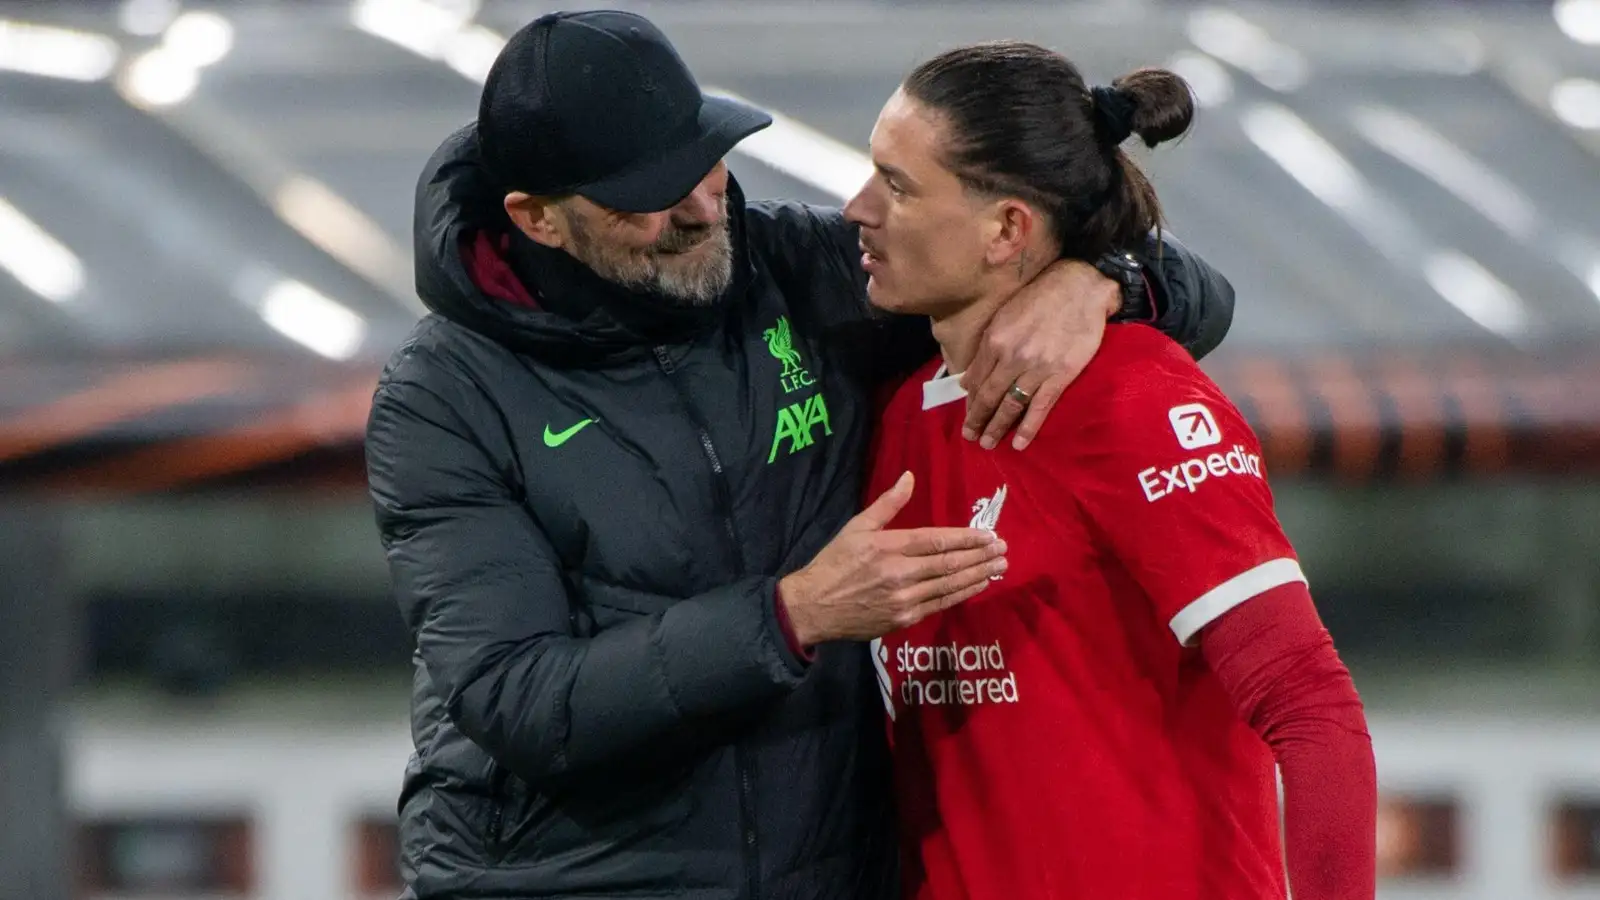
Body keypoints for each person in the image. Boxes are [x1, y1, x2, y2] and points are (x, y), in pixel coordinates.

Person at [365, 11, 1236, 900]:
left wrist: (1102, 285)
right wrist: (792, 615)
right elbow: (523, 700)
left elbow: (1202, 294)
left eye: (704, 159)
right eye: (651, 194)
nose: (704, 208)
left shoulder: (801, 271)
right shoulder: (441, 400)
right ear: (538, 219)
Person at [849, 42, 1377, 900]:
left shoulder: (1136, 398)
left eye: (899, 186)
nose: (855, 208)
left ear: (1007, 229)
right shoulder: (895, 415)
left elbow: (1313, 714)